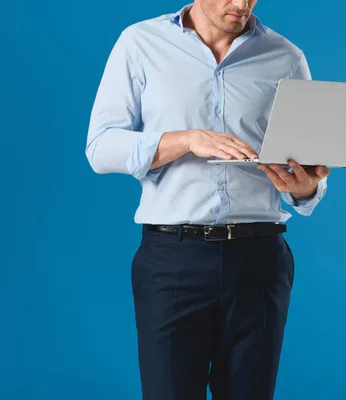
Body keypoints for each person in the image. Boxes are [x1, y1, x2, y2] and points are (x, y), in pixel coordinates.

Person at [85, 1, 329, 399]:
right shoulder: (140, 43)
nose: (241, 4)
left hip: (260, 261)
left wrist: (305, 187)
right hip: (172, 261)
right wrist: (185, 140)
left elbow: (306, 164)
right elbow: (100, 148)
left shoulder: (285, 57)